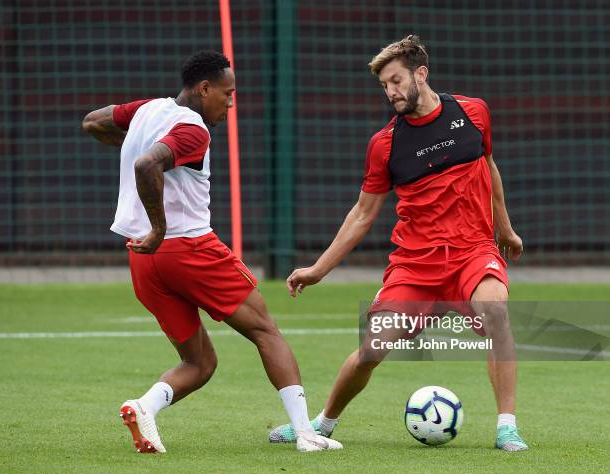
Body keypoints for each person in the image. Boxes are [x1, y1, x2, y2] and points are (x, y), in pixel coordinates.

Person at [269, 35, 528, 451]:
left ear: (420, 74)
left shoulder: (473, 112)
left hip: (473, 252)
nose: (390, 92)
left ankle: (506, 427)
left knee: (496, 314)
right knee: (372, 349)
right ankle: (323, 422)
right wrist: (318, 269)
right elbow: (362, 214)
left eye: (395, 81)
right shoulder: (385, 144)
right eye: (384, 86)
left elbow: (489, 168)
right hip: (416, 264)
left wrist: (506, 229)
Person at [82, 50, 341, 453]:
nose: (231, 103)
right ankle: (306, 434)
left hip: (143, 261)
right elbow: (147, 164)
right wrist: (159, 227)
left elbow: (93, 121)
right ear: (204, 89)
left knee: (201, 364)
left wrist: (132, 144)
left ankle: (143, 406)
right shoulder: (193, 129)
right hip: (188, 249)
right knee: (265, 330)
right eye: (228, 93)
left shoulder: (149, 110)